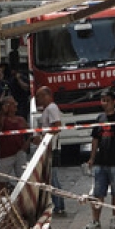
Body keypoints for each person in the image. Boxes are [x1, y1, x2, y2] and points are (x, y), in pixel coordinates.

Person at [87, 89, 115, 229]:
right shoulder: (99, 119)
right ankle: (96, 221)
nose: (105, 103)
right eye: (102, 100)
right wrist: (92, 158)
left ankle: (114, 219)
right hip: (101, 163)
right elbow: (95, 140)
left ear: (114, 101)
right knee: (98, 193)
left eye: (107, 100)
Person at [35, 86, 66, 215]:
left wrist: (43, 136)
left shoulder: (52, 108)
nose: (38, 99)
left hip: (52, 148)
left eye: (39, 96)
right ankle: (58, 205)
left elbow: (57, 127)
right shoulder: (47, 109)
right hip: (48, 147)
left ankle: (58, 205)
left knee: (53, 178)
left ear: (46, 95)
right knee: (51, 178)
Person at [0, 96, 29, 176]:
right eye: (12, 104)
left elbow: (30, 133)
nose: (15, 105)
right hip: (6, 154)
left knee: (23, 178)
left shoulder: (21, 119)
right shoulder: (2, 119)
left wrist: (25, 146)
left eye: (15, 103)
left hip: (19, 152)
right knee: (2, 179)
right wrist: (3, 111)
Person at [5, 53, 32, 121]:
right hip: (13, 101)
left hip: (22, 101)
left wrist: (18, 79)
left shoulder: (22, 76)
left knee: (22, 118)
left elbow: (26, 88)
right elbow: (7, 88)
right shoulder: (10, 78)